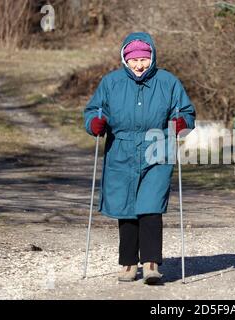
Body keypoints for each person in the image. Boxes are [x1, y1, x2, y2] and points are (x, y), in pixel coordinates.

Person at [83, 32, 196, 285]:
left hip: (157, 147)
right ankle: (128, 264)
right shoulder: (111, 83)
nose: (139, 65)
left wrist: (181, 124)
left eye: (144, 59)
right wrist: (95, 124)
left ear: (152, 57)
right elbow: (93, 111)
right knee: (127, 209)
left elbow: (187, 112)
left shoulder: (168, 82)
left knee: (150, 207)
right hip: (120, 151)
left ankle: (151, 264)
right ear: (125, 58)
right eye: (133, 60)